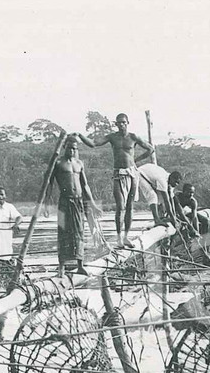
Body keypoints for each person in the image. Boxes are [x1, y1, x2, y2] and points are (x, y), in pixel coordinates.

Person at [76, 113, 154, 247]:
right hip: (118, 173)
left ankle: (126, 237)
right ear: (116, 124)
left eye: (123, 122)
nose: (121, 125)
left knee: (130, 206)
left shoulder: (133, 137)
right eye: (119, 123)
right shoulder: (112, 137)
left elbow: (150, 149)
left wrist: (136, 160)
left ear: (128, 122)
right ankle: (118, 238)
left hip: (132, 173)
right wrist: (80, 135)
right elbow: (94, 143)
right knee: (120, 207)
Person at [54, 136, 100, 277]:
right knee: (63, 233)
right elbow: (49, 183)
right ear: (64, 148)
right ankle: (61, 267)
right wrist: (46, 203)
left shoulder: (79, 163)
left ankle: (80, 265)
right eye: (70, 148)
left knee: (79, 232)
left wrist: (92, 203)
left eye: (75, 148)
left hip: (78, 202)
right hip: (64, 202)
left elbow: (85, 185)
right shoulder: (58, 163)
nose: (72, 151)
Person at [137, 163, 184, 230]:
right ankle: (157, 220)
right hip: (140, 173)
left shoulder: (170, 182)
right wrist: (173, 219)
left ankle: (160, 218)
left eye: (178, 183)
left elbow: (171, 200)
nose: (176, 184)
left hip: (149, 175)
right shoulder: (163, 181)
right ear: (172, 178)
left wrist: (174, 217)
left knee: (159, 199)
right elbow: (167, 201)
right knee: (152, 196)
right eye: (175, 182)